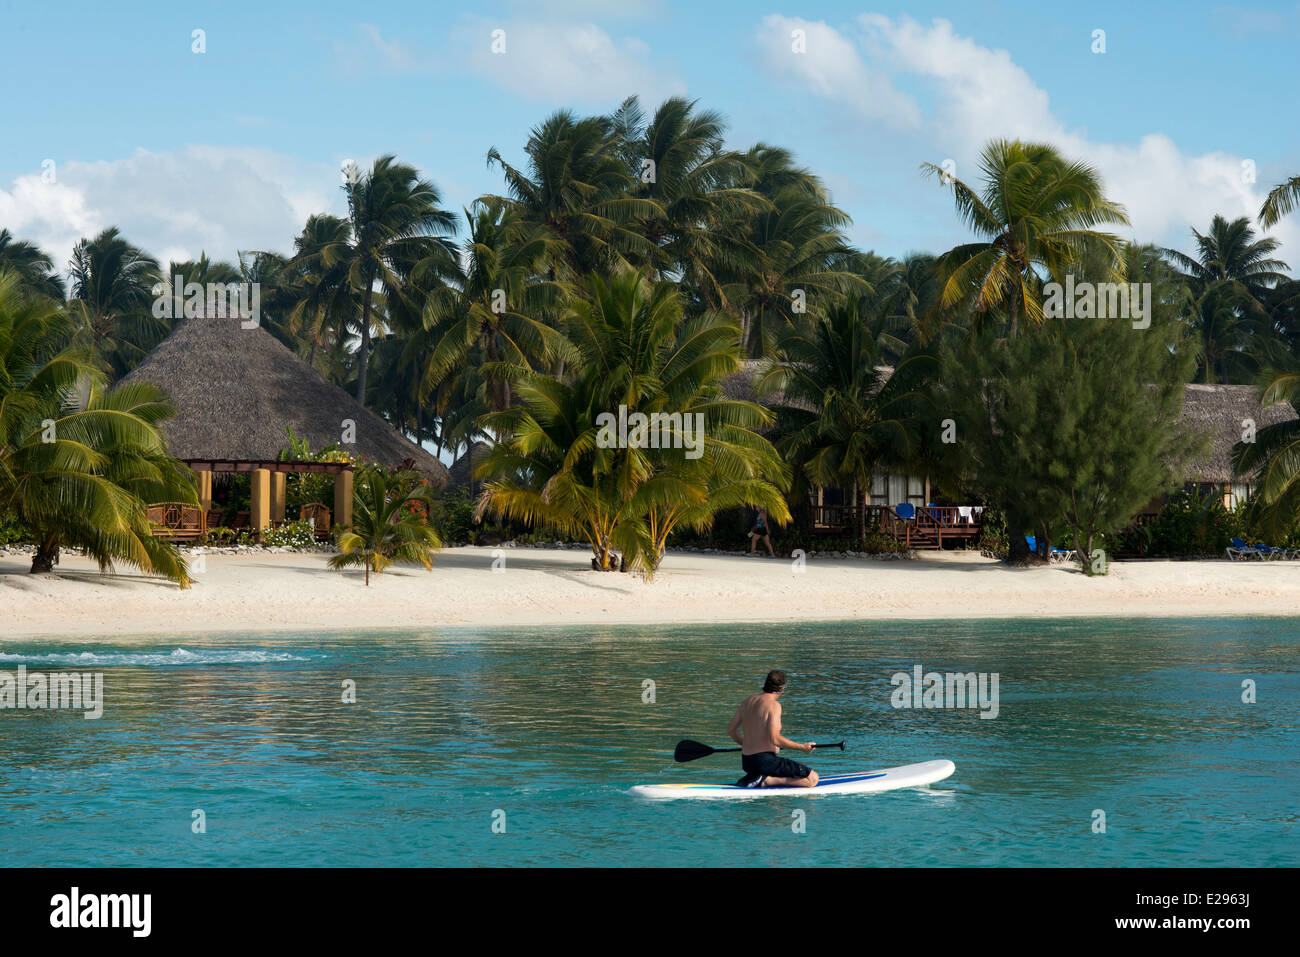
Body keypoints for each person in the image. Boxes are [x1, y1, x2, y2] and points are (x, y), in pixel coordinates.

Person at [726, 670, 819, 788]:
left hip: (747, 762)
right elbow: (775, 739)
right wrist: (802, 747)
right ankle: (767, 781)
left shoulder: (747, 701)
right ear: (783, 688)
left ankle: (756, 777)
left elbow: (731, 730)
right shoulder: (774, 705)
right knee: (812, 779)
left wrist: (747, 744)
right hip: (765, 763)